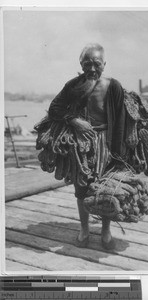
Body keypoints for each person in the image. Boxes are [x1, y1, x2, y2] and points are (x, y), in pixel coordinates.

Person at [47, 43, 131, 249]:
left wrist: (117, 154)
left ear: (104, 64)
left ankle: (105, 231)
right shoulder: (73, 86)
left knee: (106, 189)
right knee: (81, 187)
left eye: (96, 64)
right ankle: (84, 229)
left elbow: (120, 121)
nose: (92, 68)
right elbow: (54, 108)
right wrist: (74, 121)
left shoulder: (113, 86)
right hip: (80, 144)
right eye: (87, 63)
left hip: (106, 142)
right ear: (81, 63)